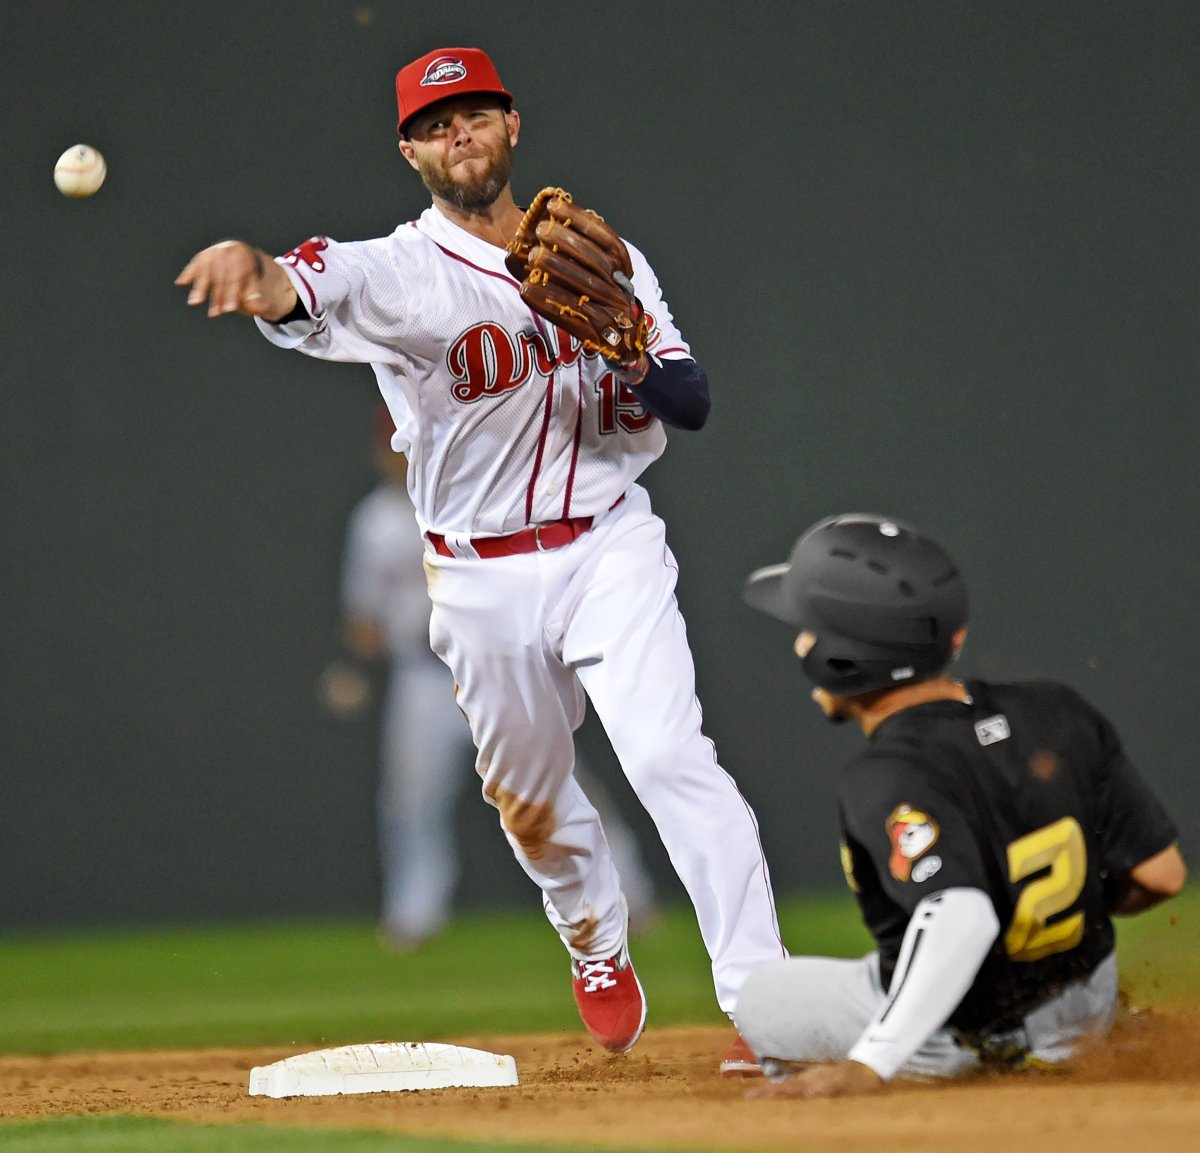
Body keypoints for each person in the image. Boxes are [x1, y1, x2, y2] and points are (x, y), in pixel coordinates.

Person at [175, 45, 784, 1065]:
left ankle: (764, 1001)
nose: (459, 132)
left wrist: (629, 341)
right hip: (477, 574)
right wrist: (256, 267)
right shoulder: (399, 272)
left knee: (675, 757)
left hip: (609, 544)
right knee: (532, 803)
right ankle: (593, 936)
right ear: (411, 149)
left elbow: (692, 402)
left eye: (477, 113)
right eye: (436, 122)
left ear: (512, 127)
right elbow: (303, 284)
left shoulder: (605, 256)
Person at [735, 512, 1186, 1098]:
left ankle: (955, 1055)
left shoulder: (886, 771)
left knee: (761, 998)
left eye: (809, 629)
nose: (800, 641)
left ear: (844, 657)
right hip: (1085, 1013)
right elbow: (1161, 874)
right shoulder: (1055, 709)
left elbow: (961, 914)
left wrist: (870, 1063)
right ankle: (1085, 1033)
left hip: (957, 1037)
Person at [319, 406, 660, 949]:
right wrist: (353, 666)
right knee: (410, 800)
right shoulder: (375, 522)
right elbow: (366, 616)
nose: (397, 455)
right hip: (423, 678)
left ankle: (628, 896)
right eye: (389, 445)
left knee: (560, 785)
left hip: (496, 670)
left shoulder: (479, 497)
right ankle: (413, 915)